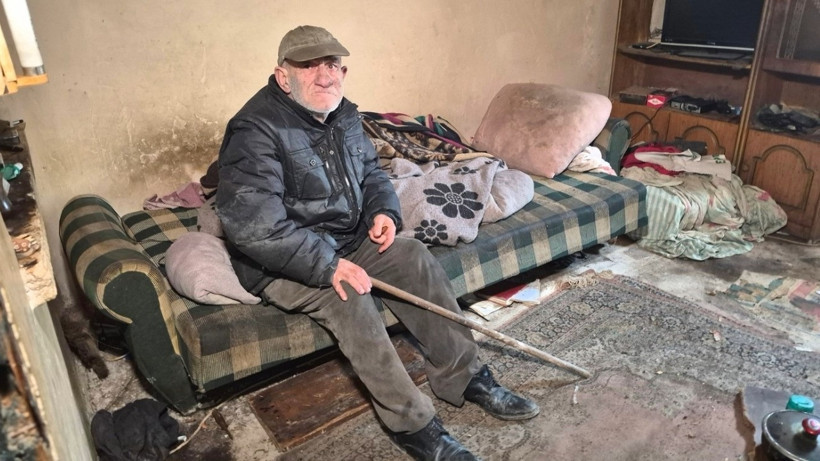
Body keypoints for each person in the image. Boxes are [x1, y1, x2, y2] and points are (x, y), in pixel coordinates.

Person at [215, 25, 539, 461]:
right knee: (349, 296)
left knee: (412, 256)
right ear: (282, 77)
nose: (324, 76)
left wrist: (383, 211)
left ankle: (465, 376)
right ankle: (414, 424)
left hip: (345, 238)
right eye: (308, 66)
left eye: (332, 65)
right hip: (280, 259)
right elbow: (256, 228)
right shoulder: (254, 130)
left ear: (343, 72)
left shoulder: (344, 114)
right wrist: (328, 266)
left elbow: (371, 174)